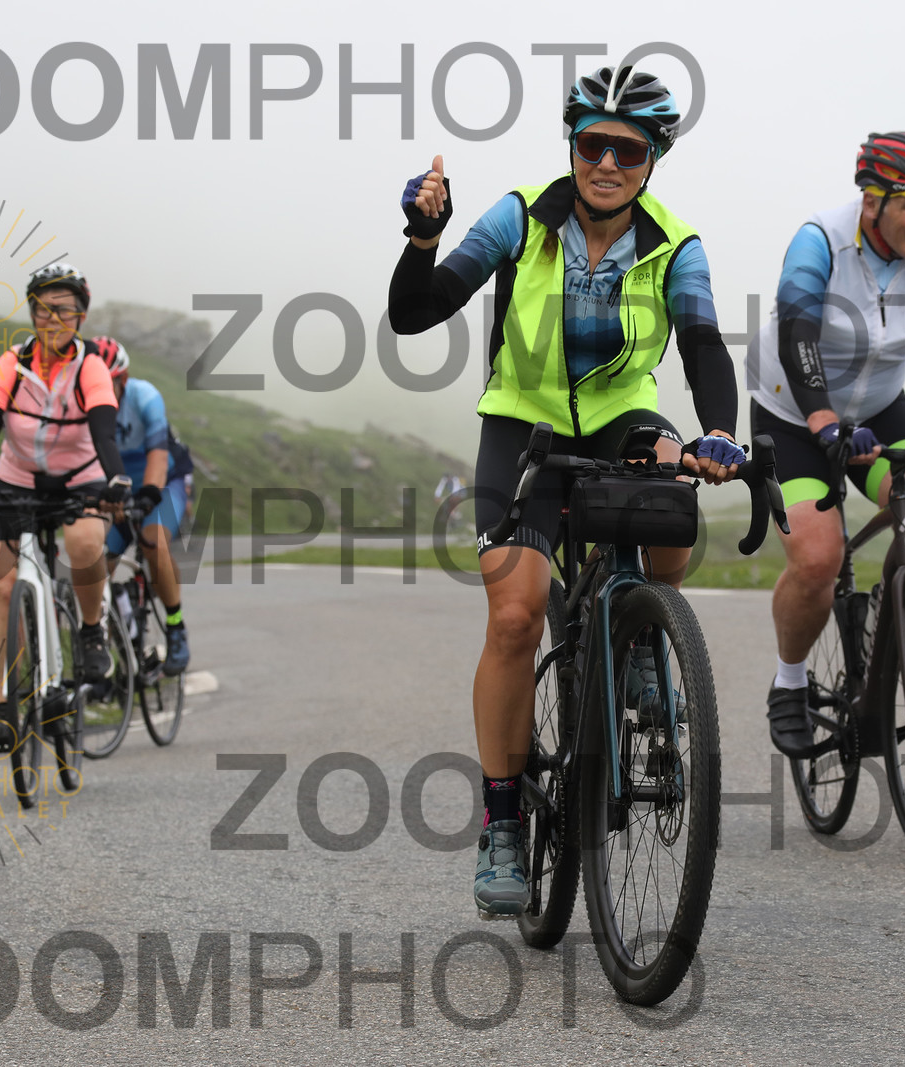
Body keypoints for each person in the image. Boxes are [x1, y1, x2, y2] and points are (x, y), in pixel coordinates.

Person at [388, 66, 746, 919]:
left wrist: (719, 431)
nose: (608, 163)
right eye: (593, 144)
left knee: (673, 498)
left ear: (652, 159)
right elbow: (415, 312)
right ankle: (502, 821)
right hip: (525, 424)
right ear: (573, 146)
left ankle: (642, 640)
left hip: (622, 416)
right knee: (516, 616)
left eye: (629, 149)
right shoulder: (519, 217)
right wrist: (422, 237)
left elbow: (701, 343)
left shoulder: (675, 245)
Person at [747, 132, 905, 758]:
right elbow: (797, 334)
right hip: (790, 411)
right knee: (817, 559)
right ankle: (790, 682)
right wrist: (824, 422)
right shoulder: (820, 241)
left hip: (879, 408)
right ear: (871, 202)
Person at [0, 263, 131, 753]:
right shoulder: (12, 363)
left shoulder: (90, 366)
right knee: (3, 588)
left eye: (63, 309)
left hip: (80, 479)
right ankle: (5, 709)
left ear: (80, 316)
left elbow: (103, 432)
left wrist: (117, 480)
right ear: (32, 313)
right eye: (43, 308)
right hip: (16, 482)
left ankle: (90, 631)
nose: (52, 318)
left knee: (84, 542)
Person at [95, 338, 192, 675]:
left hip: (163, 481)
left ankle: (176, 626)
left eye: (106, 383)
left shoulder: (144, 396)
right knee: (95, 560)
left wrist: (148, 495)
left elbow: (158, 455)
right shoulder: (84, 406)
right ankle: (105, 650)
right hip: (118, 489)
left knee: (153, 541)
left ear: (122, 379)